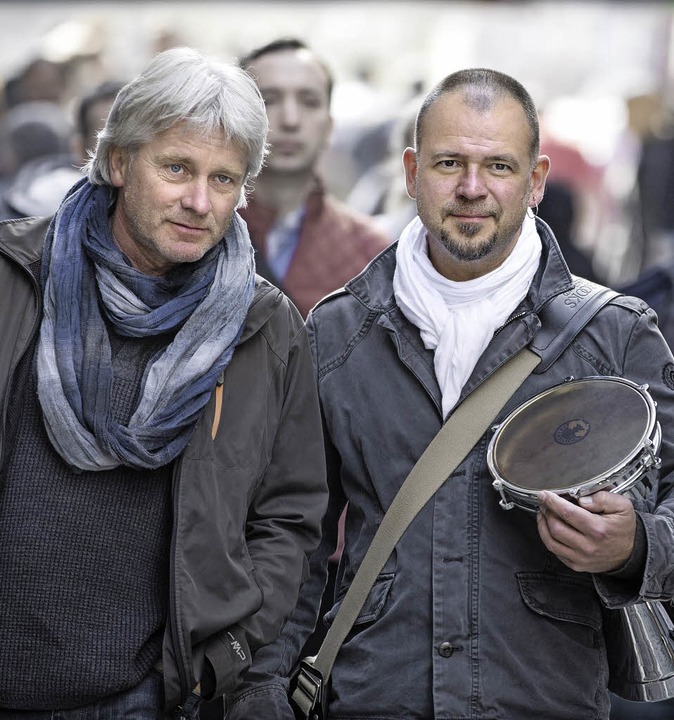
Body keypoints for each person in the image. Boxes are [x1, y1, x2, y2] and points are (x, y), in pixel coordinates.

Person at [225, 68, 674, 720]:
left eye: (498, 165)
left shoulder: (617, 334)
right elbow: (292, 539)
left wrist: (635, 547)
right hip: (375, 697)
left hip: (542, 699)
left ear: (537, 180)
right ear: (410, 172)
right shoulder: (337, 331)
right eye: (448, 163)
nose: (471, 188)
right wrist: (262, 697)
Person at [0, 46, 327, 719]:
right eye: (177, 168)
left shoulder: (264, 328)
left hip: (150, 697)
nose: (200, 202)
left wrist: (223, 659)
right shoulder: (13, 279)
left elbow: (289, 518)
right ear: (119, 161)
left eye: (225, 179)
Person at [238, 38, 390, 318]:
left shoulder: (371, 251)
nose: (290, 119)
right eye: (269, 100)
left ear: (329, 126)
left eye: (309, 102)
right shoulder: (200, 230)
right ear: (238, 118)